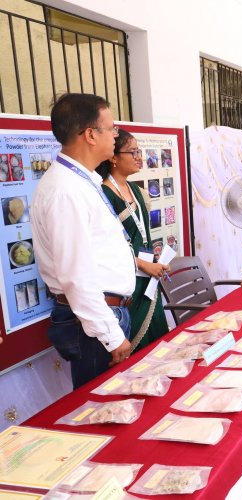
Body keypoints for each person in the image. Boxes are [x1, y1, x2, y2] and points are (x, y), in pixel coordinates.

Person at [30, 93, 135, 388]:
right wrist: (111, 336)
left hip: (104, 314)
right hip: (94, 323)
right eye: (111, 128)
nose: (116, 134)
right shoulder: (65, 189)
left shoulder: (81, 179)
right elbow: (76, 276)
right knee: (102, 410)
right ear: (90, 134)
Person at [96, 129, 170, 353]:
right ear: (113, 157)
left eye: (139, 151)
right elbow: (106, 248)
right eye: (133, 151)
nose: (139, 157)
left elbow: (143, 234)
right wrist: (142, 264)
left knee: (158, 345)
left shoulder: (137, 192)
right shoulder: (103, 195)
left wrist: (154, 259)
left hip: (149, 279)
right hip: (127, 282)